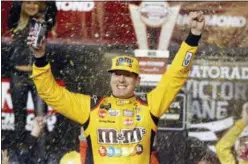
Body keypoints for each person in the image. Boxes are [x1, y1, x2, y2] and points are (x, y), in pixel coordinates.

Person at [28, 11, 205, 164]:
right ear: (111, 78)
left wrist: (193, 37)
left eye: (127, 75)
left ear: (138, 81)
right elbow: (50, 93)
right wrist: (40, 58)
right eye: (117, 74)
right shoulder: (91, 107)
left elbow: (176, 75)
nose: (121, 79)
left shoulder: (149, 105)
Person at [7, 1, 57, 154]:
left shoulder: (44, 22)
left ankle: (42, 152)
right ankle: (20, 152)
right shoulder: (15, 21)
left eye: (35, 3)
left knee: (41, 117)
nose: (31, 6)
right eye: (27, 2)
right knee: (19, 118)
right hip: (18, 75)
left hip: (38, 76)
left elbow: (52, 8)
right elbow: (15, 5)